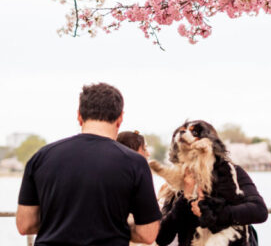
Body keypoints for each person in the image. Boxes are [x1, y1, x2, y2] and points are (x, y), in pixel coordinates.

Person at [16, 83, 162, 244]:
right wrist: (115, 226)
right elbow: (148, 234)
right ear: (120, 118)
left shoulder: (41, 157)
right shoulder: (135, 163)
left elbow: (25, 224)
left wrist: (61, 224)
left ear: (79, 116)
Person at [155, 120, 268, 246]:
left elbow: (259, 211)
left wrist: (211, 214)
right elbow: (162, 237)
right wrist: (185, 197)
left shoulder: (231, 172)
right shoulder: (173, 188)